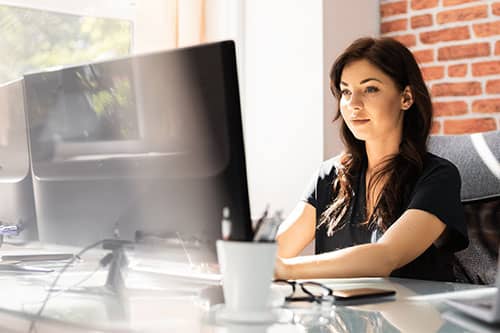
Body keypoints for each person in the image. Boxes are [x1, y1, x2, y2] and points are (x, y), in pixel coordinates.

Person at [275, 37, 468, 282]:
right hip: (342, 318)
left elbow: (385, 257)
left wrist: (288, 270)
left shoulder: (438, 177)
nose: (353, 104)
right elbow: (276, 251)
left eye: (370, 89)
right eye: (346, 91)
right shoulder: (330, 176)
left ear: (406, 98)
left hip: (410, 316)